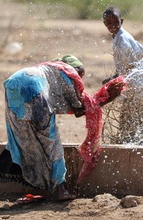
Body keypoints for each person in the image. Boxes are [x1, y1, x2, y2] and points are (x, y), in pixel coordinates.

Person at [0, 54, 125, 201]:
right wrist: (107, 97)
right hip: (35, 91)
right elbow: (80, 109)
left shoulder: (47, 70)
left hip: (14, 85)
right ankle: (62, 190)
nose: (79, 80)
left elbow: (75, 107)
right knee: (52, 142)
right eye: (80, 74)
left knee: (20, 137)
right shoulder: (68, 72)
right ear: (74, 68)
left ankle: (5, 169)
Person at [102, 5, 143, 84]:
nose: (113, 25)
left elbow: (129, 66)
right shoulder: (117, 36)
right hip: (132, 77)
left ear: (121, 21)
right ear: (105, 24)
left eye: (116, 22)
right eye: (109, 23)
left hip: (136, 80)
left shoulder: (122, 39)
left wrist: (114, 78)